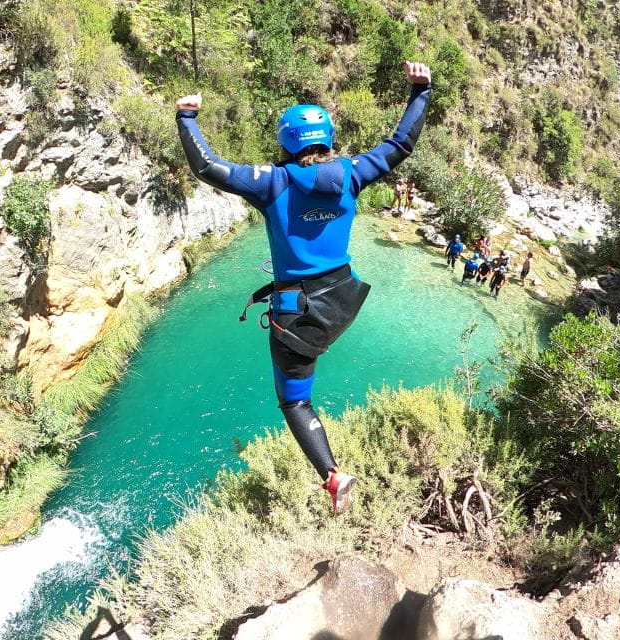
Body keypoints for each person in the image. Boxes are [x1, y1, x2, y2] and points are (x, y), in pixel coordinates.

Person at [176, 62, 432, 515]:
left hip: (298, 313)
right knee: (307, 369)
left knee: (294, 401)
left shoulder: (272, 183)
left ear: (285, 141)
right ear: (328, 138)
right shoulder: (353, 172)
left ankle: (333, 476)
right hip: (343, 301)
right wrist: (420, 91)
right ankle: (332, 473)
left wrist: (187, 116)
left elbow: (207, 166)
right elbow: (401, 144)